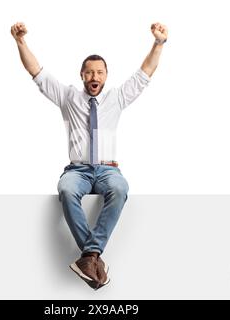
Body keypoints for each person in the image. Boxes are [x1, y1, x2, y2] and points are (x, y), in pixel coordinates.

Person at [11, 21, 167, 290]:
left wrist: (158, 43)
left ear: (106, 75)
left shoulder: (116, 98)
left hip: (108, 169)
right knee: (67, 190)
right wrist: (20, 42)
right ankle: (92, 256)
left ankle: (88, 257)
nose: (95, 77)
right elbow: (36, 71)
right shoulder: (68, 97)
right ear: (82, 75)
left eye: (100, 72)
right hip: (78, 170)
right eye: (89, 73)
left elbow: (146, 72)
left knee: (120, 189)